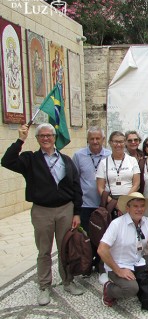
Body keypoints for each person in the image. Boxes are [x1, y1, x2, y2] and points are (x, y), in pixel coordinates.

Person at [1, 123, 84, 305]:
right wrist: (20, 140)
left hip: (65, 209)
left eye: (49, 135)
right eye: (42, 136)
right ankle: (44, 286)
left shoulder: (65, 160)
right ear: (37, 139)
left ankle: (68, 281)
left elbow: (76, 186)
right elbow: (6, 161)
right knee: (44, 250)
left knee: (65, 248)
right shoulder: (30, 160)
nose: (46, 138)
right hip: (42, 211)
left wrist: (76, 212)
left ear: (54, 138)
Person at [98, 192, 148, 307]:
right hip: (119, 265)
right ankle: (108, 289)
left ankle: (139, 278)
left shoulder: (147, 222)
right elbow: (102, 250)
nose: (139, 209)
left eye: (142, 206)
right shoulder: (117, 224)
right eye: (135, 206)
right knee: (131, 289)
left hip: (137, 262)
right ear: (128, 208)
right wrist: (118, 271)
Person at [96, 131, 140, 283]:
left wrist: (125, 202)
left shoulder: (131, 161)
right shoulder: (104, 163)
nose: (118, 144)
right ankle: (105, 268)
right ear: (109, 143)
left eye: (121, 141)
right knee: (108, 236)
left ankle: (127, 263)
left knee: (127, 236)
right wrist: (113, 202)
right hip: (110, 203)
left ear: (125, 143)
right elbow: (100, 187)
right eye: (115, 141)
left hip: (128, 202)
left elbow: (136, 183)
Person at [72, 126, 111, 233]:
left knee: (103, 236)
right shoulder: (78, 156)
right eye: (92, 139)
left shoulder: (110, 155)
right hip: (85, 204)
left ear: (103, 139)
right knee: (86, 237)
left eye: (98, 138)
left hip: (104, 205)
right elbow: (74, 180)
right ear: (87, 140)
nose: (95, 141)